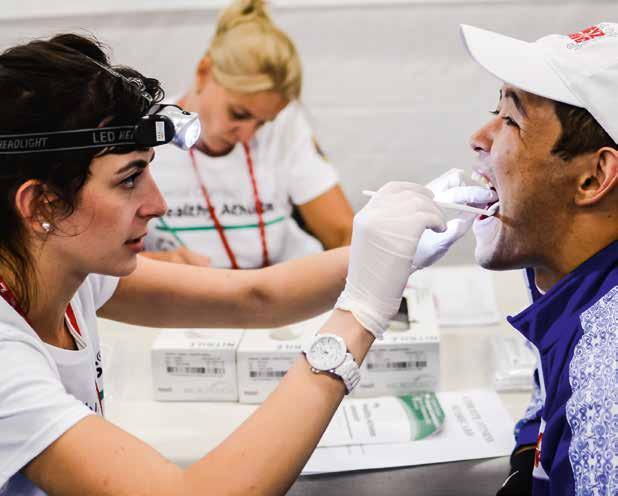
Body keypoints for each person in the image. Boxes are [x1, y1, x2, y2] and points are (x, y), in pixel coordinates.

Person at [0, 33, 495, 495]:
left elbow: (256, 298)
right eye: (129, 179)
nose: (157, 203)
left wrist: (384, 252)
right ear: (41, 204)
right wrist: (360, 314)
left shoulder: (68, 273)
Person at [460, 22, 618, 495]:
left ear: (593, 177)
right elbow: (548, 395)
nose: (479, 137)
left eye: (511, 120)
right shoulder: (563, 269)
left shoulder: (610, 380)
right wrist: (527, 459)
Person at [142, 0, 354, 269]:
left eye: (263, 123)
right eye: (238, 114)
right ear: (204, 71)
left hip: (282, 297)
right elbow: (91, 261)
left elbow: (344, 236)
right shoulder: (147, 132)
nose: (247, 136)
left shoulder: (285, 126)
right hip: (181, 300)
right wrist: (157, 264)